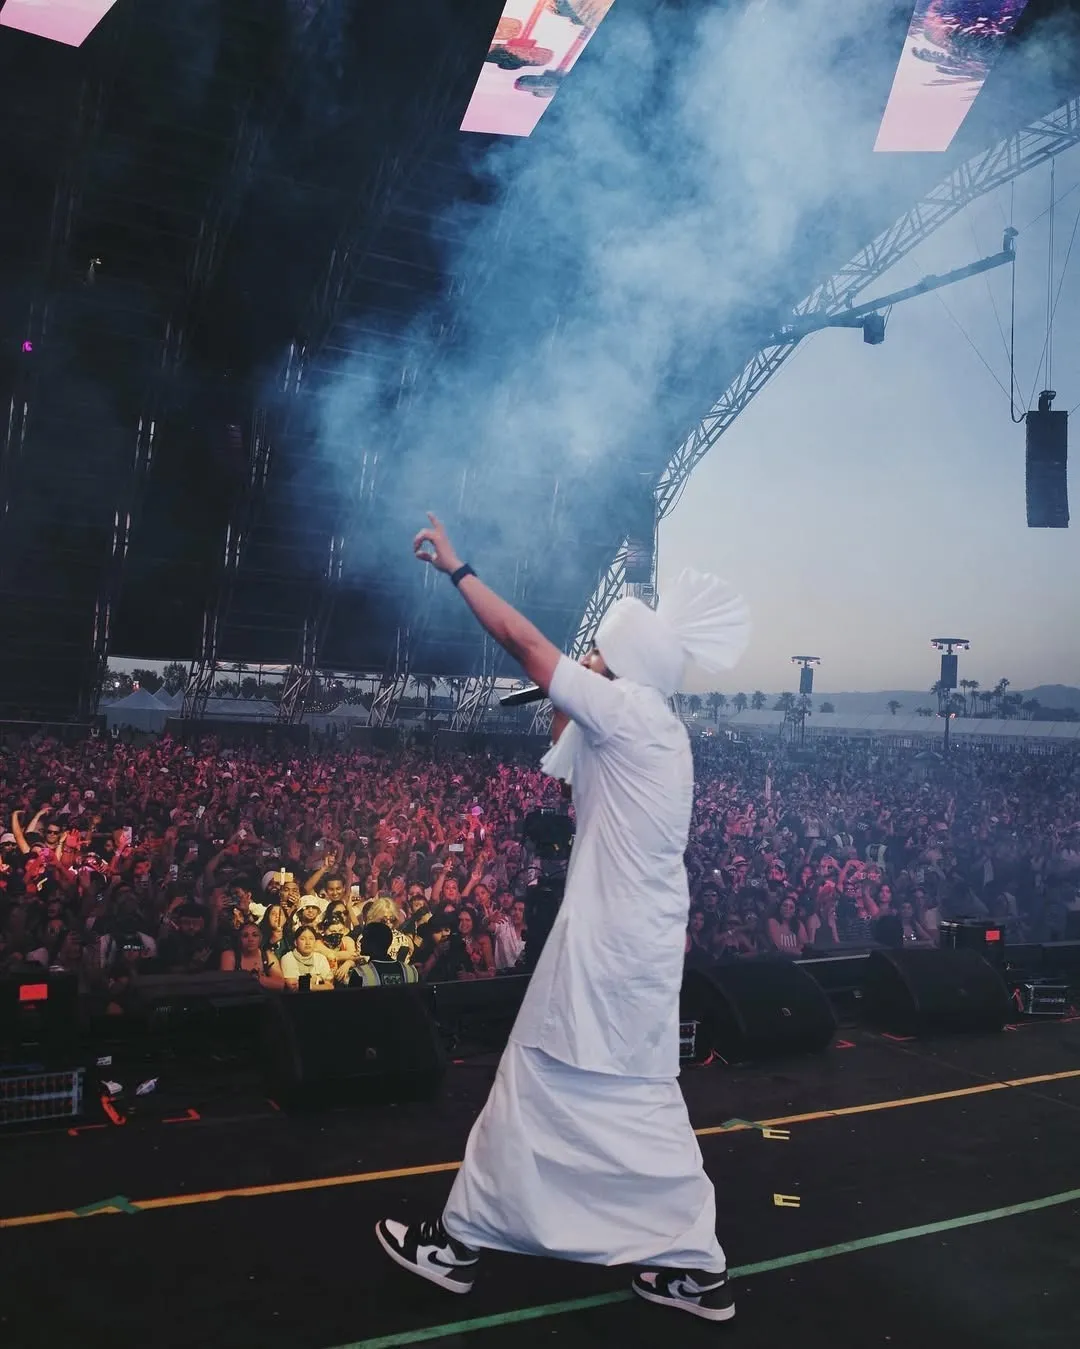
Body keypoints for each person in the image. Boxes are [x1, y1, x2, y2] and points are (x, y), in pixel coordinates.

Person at [376, 512, 748, 1323]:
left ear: (626, 667)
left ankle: (455, 1245)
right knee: (638, 1096)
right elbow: (562, 743)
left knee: (533, 1080)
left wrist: (457, 567)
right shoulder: (654, 728)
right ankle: (693, 1266)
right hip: (636, 948)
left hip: (607, 948)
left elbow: (518, 639)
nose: (592, 665)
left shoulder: (631, 714)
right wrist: (580, 680)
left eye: (602, 656)